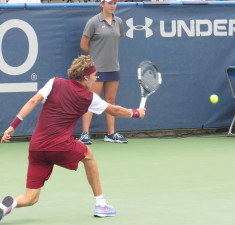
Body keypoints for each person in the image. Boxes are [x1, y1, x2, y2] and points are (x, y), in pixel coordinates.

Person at [0, 55, 145, 221]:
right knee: (88, 156)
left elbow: (33, 100)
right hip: (59, 146)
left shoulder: (54, 82)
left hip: (36, 148)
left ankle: (8, 206)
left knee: (31, 197)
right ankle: (101, 204)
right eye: (94, 76)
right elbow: (114, 110)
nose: (95, 79)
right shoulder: (90, 97)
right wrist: (135, 113)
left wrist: (12, 126)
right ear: (85, 77)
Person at [79, 0, 126, 145]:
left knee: (110, 101)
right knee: (91, 101)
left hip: (113, 67)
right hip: (96, 70)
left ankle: (111, 133)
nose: (113, 5)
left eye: (115, 3)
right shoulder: (93, 22)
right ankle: (84, 134)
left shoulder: (118, 22)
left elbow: (117, 40)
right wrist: (95, 59)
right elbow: (83, 45)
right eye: (110, 3)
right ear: (102, 4)